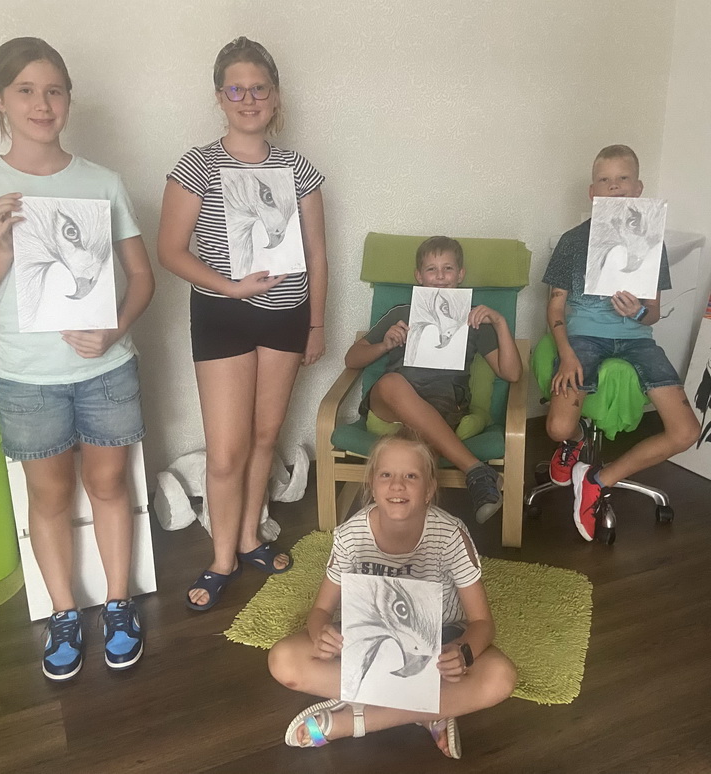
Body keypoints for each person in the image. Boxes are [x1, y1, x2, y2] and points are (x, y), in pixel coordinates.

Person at [0, 38, 155, 680]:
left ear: (68, 99)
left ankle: (118, 603)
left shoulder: (102, 182)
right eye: (26, 90)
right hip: (27, 378)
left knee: (110, 485)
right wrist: (3, 247)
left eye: (54, 90)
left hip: (106, 370)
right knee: (49, 494)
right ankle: (64, 612)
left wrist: (114, 329)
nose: (42, 103)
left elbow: (142, 278)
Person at [158, 37, 327, 611]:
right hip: (222, 315)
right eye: (237, 89)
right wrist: (230, 286)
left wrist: (317, 324)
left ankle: (251, 537)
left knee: (263, 438)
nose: (249, 99)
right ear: (219, 97)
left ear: (275, 97)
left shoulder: (298, 169)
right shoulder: (198, 164)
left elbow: (317, 252)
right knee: (226, 451)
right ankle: (221, 558)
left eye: (259, 88)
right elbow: (169, 250)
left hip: (288, 315)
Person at [268, 428, 517, 756]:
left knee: (500, 677)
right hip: (366, 640)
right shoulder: (350, 535)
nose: (397, 485)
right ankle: (428, 711)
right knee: (283, 660)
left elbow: (482, 623)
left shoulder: (450, 535)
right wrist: (320, 635)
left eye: (411, 476)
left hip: (439, 642)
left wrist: (463, 652)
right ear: (372, 484)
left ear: (429, 490)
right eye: (386, 474)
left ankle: (355, 719)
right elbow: (321, 611)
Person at [543, 144, 700, 541]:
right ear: (592, 192)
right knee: (559, 427)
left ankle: (597, 479)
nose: (614, 186)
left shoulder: (652, 244)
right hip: (585, 338)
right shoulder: (573, 242)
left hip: (636, 340)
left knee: (686, 432)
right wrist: (566, 354)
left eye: (623, 178)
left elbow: (653, 313)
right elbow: (555, 305)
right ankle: (575, 443)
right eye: (605, 180)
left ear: (638, 188)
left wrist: (638, 311)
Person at [344, 236, 522, 524]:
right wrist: (385, 345)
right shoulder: (402, 312)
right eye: (431, 269)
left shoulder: (473, 319)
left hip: (444, 401)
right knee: (391, 383)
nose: (440, 276)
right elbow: (352, 359)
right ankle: (476, 471)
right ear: (419, 276)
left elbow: (511, 373)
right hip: (389, 400)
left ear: (460, 274)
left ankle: (408, 525)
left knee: (421, 445)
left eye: (448, 268)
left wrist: (500, 323)